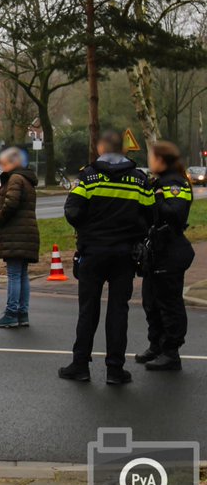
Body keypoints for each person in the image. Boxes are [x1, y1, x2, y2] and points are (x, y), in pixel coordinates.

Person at [60, 131, 154, 385]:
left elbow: (72, 211)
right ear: (123, 150)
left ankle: (80, 365)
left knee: (88, 309)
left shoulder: (88, 177)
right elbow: (150, 215)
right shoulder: (139, 179)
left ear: (101, 149)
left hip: (93, 251)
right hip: (124, 254)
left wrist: (89, 227)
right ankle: (115, 369)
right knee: (118, 311)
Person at [137, 141, 194, 371]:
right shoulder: (158, 182)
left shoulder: (175, 183)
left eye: (152, 157)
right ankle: (157, 345)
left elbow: (175, 215)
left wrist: (159, 197)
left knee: (169, 303)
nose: (149, 161)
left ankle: (171, 352)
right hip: (156, 252)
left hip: (170, 251)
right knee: (150, 301)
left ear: (161, 160)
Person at [0, 147, 40, 329]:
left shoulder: (15, 179)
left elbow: (11, 203)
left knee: (14, 274)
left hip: (15, 233)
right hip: (26, 233)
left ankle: (11, 313)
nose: (1, 166)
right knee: (22, 274)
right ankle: (22, 313)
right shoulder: (26, 178)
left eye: (3, 163)